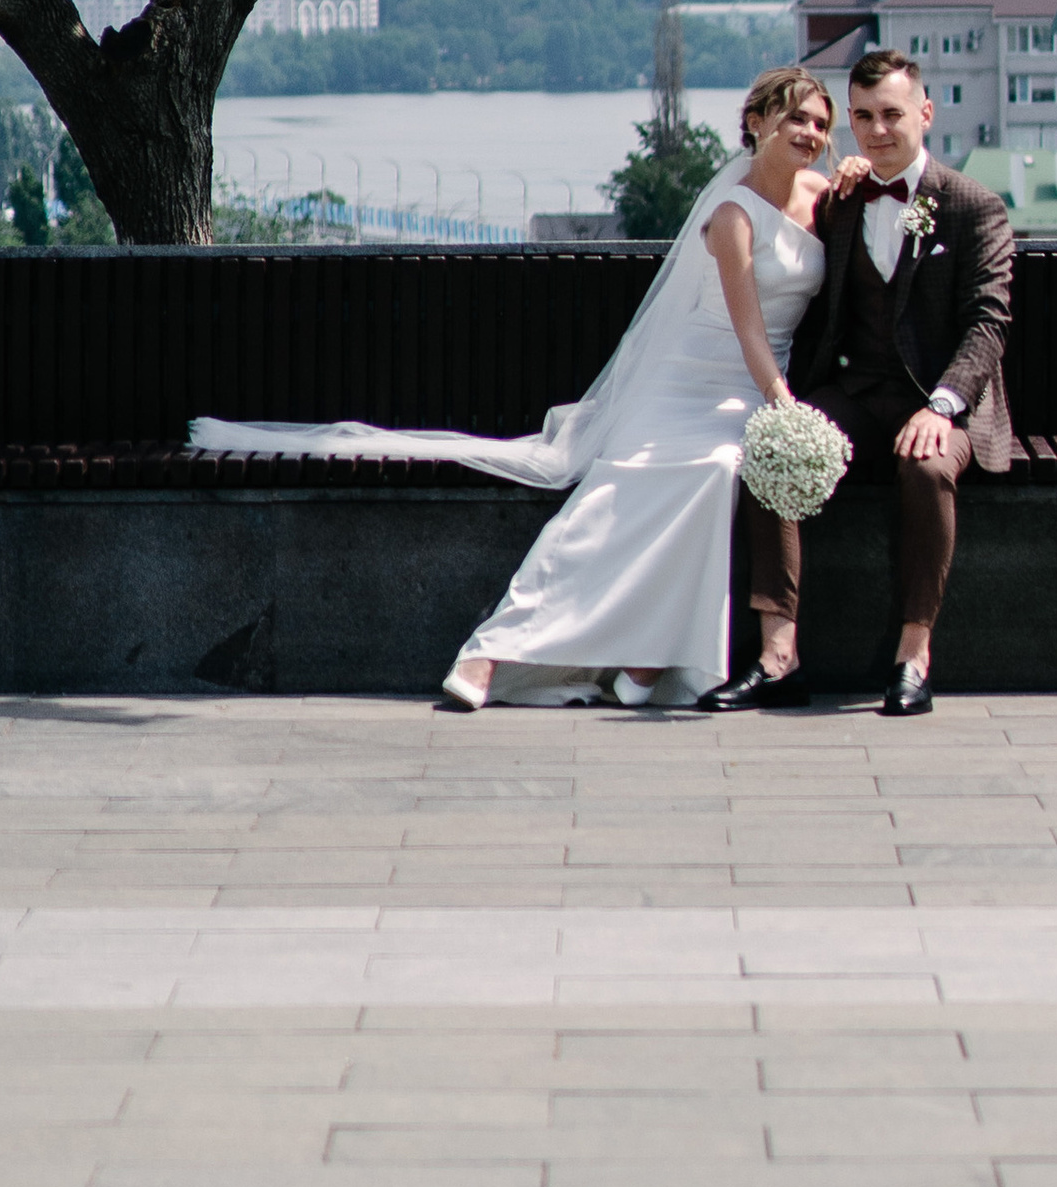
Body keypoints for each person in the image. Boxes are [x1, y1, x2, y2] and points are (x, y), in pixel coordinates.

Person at [187, 66, 840, 711]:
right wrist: (783, 406)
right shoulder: (731, 215)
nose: (809, 133)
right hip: (698, 381)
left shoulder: (824, 194)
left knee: (722, 468)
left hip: (751, 395)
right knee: (629, 487)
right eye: (795, 118)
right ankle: (497, 647)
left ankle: (649, 659)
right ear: (756, 123)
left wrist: (860, 176)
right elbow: (749, 331)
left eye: (819, 123)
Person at [758, 46, 1015, 719]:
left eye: (893, 114)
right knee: (776, 451)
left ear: (925, 113)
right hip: (858, 392)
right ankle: (777, 657)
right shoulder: (843, 201)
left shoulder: (971, 207)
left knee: (927, 471)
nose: (878, 130)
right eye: (864, 116)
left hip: (941, 402)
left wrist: (942, 405)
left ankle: (912, 654)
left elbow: (988, 325)